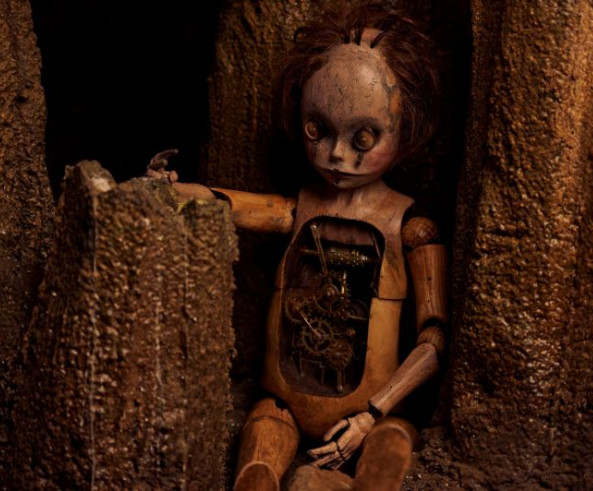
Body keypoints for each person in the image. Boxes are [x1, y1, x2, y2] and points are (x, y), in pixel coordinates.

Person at [151, 6, 447, 489]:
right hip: (282, 404)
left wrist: (373, 415)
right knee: (258, 466)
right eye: (318, 130)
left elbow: (432, 341)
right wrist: (170, 191)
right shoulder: (300, 208)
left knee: (388, 454)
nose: (336, 154)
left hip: (371, 417)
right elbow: (229, 203)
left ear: (407, 128)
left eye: (364, 137)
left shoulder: (410, 228)